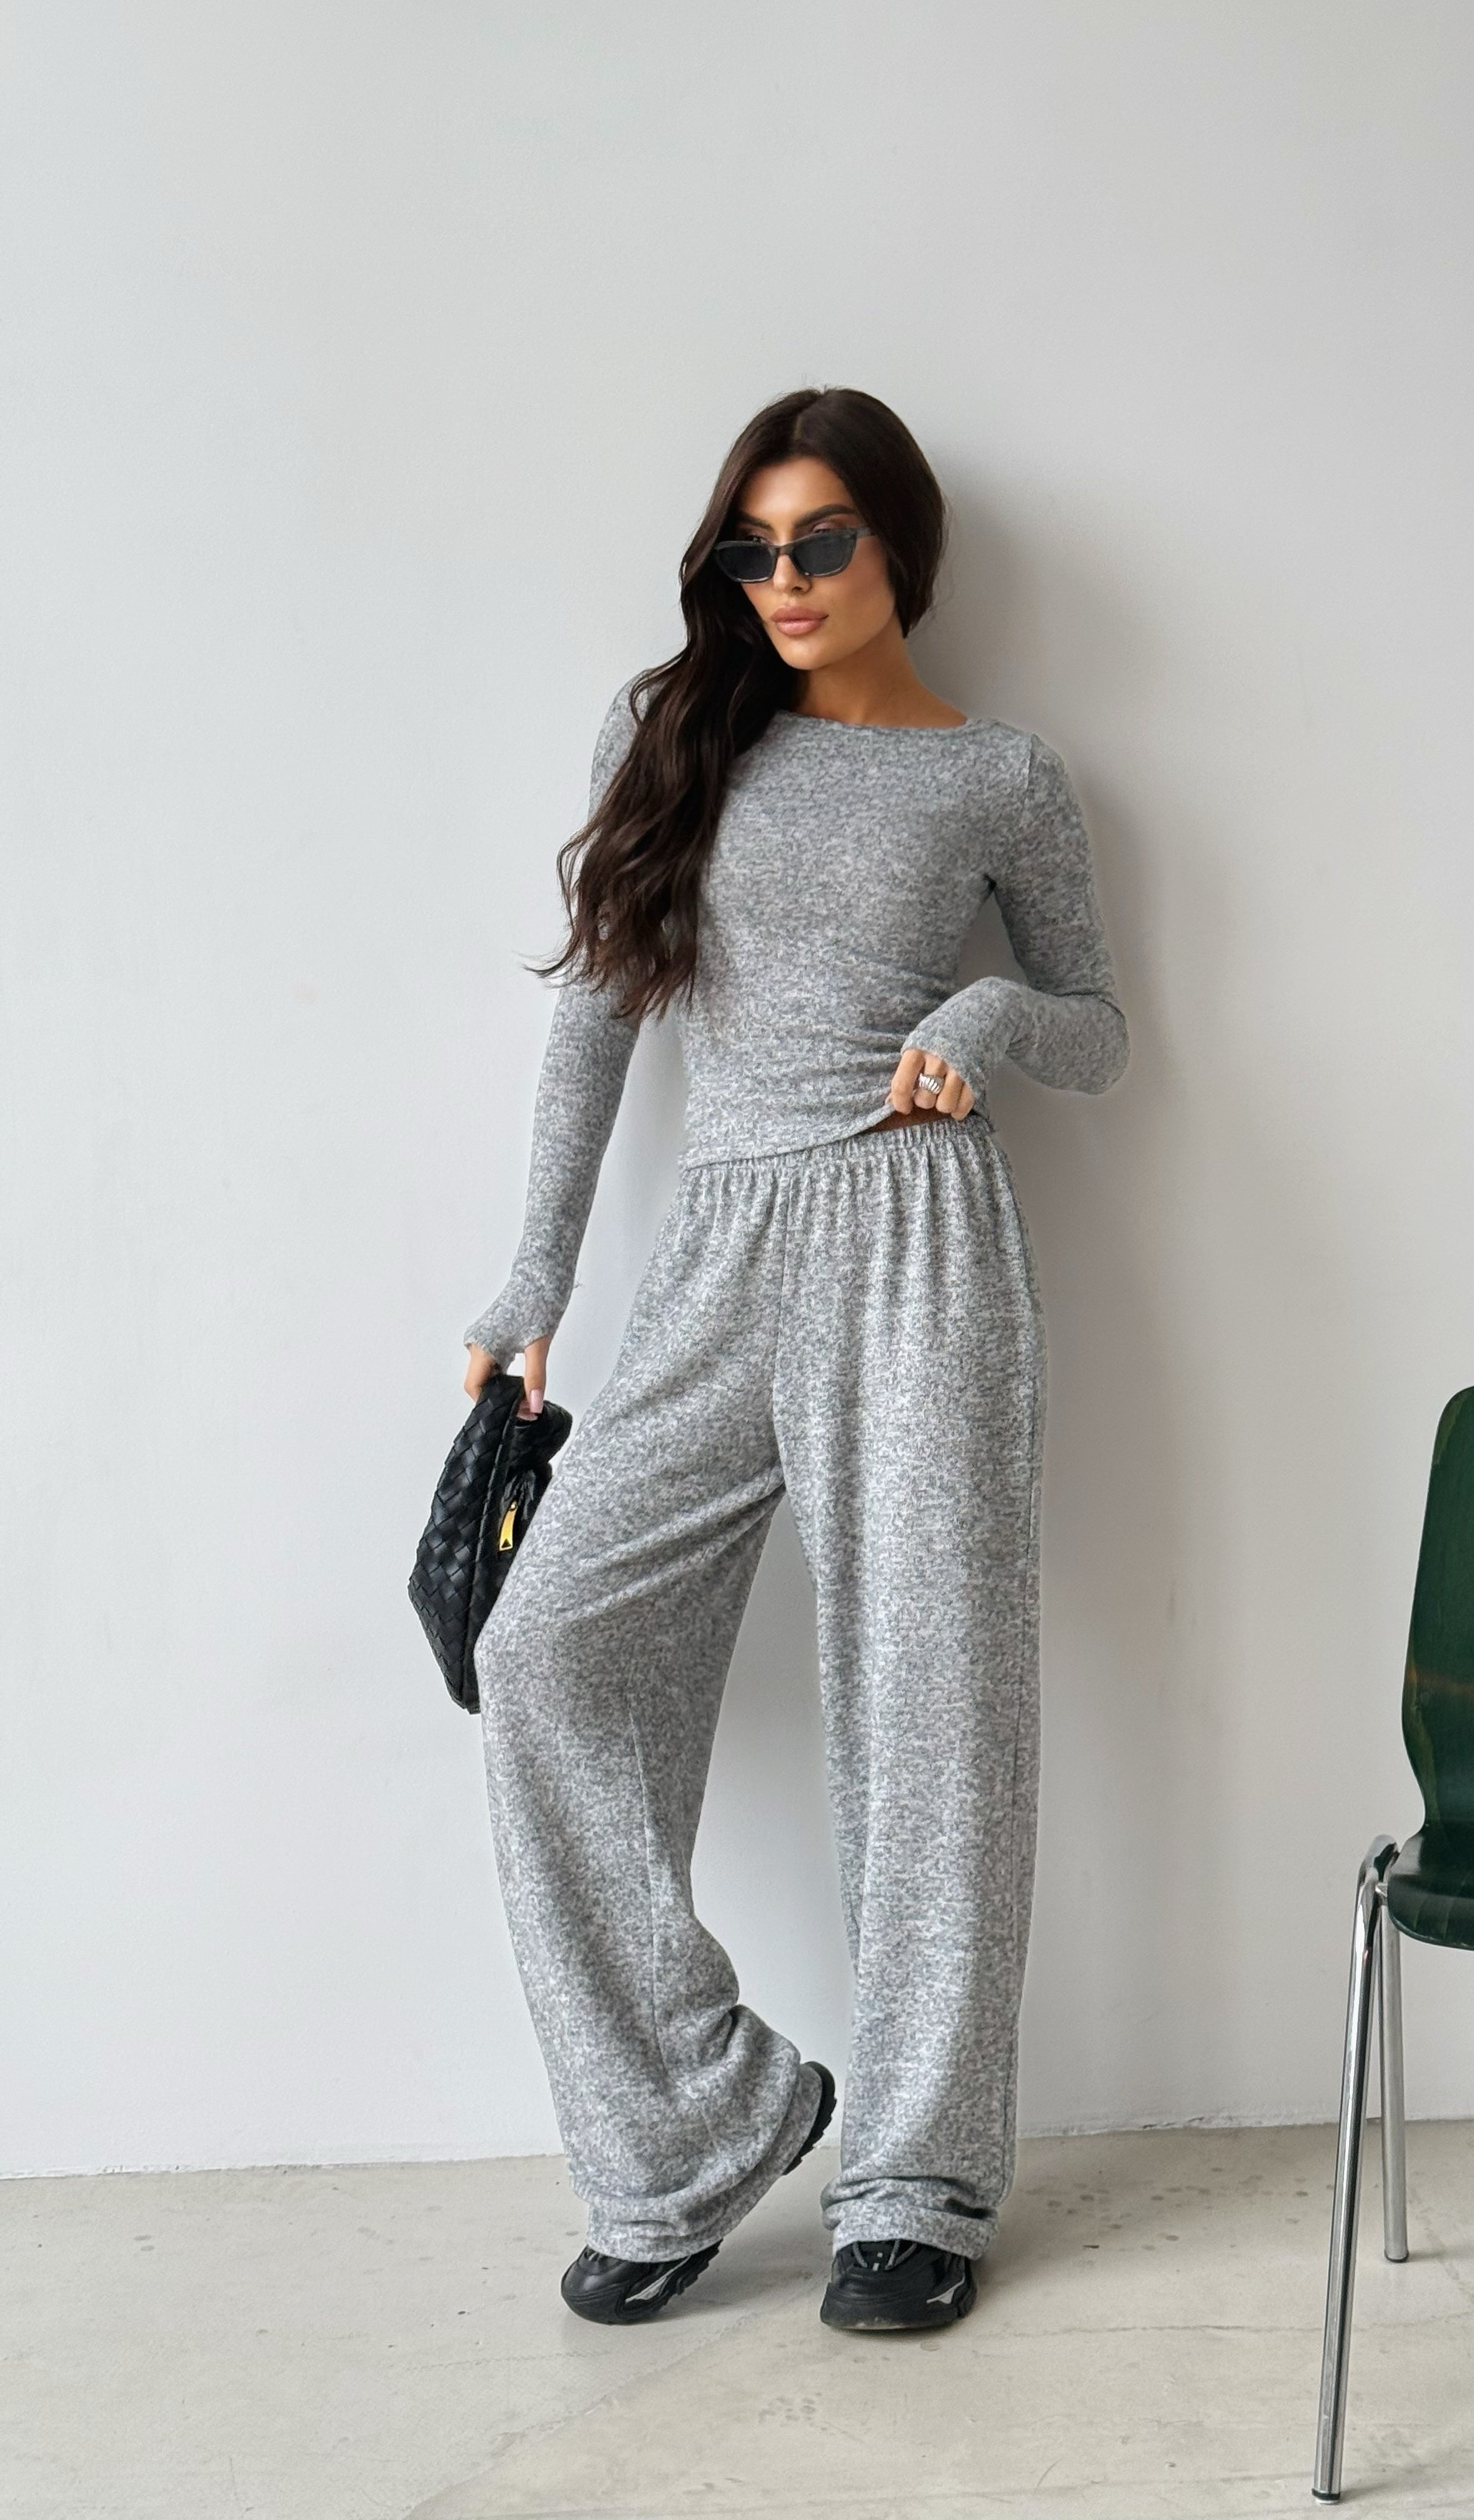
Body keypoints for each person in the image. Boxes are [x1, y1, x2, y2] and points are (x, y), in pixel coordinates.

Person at [462, 386, 1128, 2335]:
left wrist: (989, 1016)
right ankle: (699, 2122)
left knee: (933, 1704)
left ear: (899, 545)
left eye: (819, 541)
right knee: (543, 1653)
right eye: (753, 551)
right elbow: (597, 1017)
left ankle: (917, 2183)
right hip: (723, 1242)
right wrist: (532, 1276)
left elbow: (1101, 1023)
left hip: (923, 1243)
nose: (784, 581)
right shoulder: (672, 734)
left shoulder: (1000, 775)